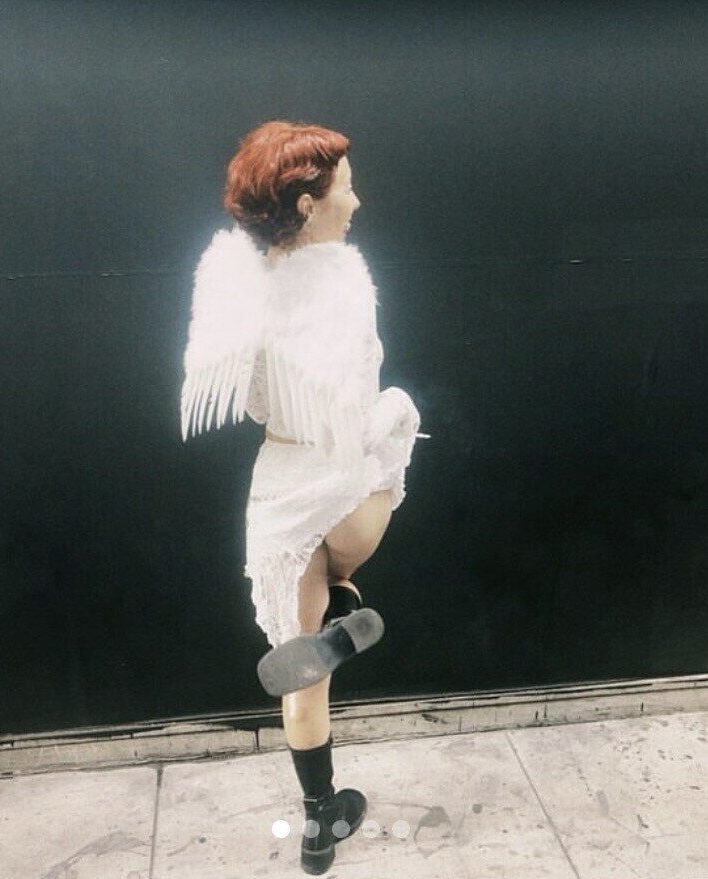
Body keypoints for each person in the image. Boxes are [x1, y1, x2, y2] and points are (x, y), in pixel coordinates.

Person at [179, 120, 423, 875]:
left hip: (279, 494)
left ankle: (319, 825)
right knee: (399, 420)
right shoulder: (342, 288)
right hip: (342, 491)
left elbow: (256, 402)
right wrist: (386, 415)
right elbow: (354, 413)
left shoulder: (231, 283)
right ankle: (346, 604)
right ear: (310, 203)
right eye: (347, 186)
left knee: (301, 670)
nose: (357, 200)